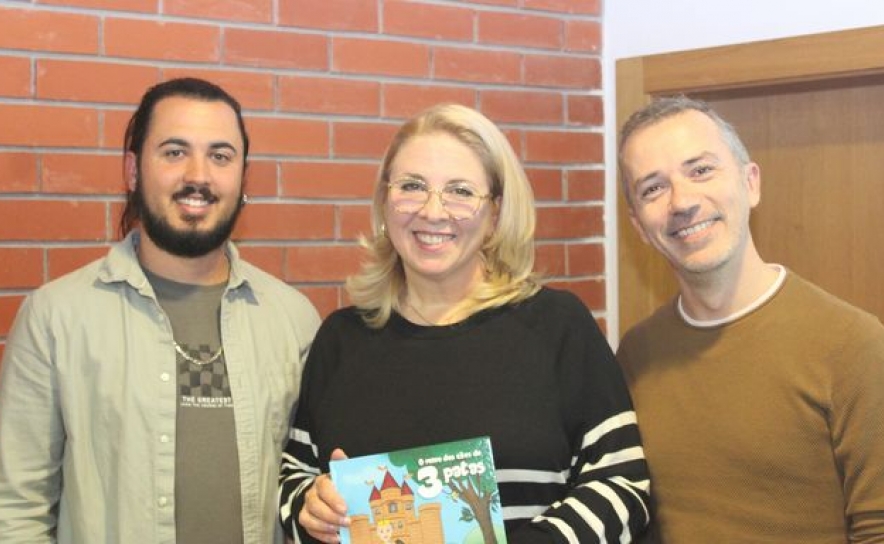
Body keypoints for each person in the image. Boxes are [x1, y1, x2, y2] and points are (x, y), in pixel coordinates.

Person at [278, 103, 651, 544]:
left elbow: (623, 486)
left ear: (495, 214)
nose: (433, 211)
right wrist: (310, 506)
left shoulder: (558, 328)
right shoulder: (341, 339)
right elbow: (294, 477)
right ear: (384, 201)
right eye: (412, 186)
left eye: (460, 191)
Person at [0, 77, 320, 543]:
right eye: (174, 152)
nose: (199, 175)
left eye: (220, 155)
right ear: (132, 171)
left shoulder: (294, 321)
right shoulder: (55, 318)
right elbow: (16, 511)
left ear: (242, 176)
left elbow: (306, 483)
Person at [616, 96, 884, 543]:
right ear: (640, 227)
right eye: (653, 188)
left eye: (701, 170)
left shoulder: (853, 344)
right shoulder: (637, 354)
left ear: (750, 183)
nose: (682, 201)